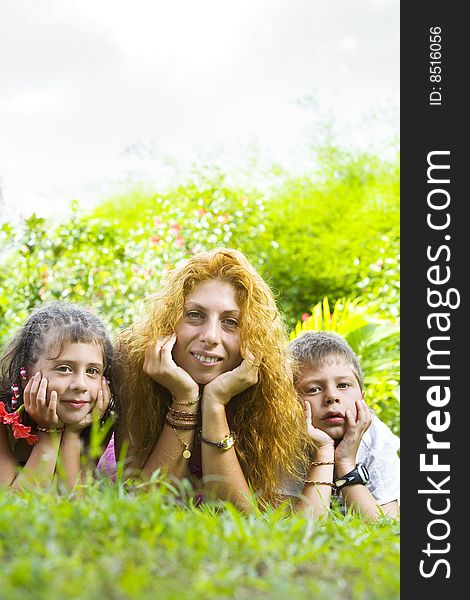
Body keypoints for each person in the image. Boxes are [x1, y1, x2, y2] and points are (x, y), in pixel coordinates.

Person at [114, 248, 312, 511]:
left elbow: (245, 519)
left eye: (230, 322)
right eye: (195, 315)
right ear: (169, 320)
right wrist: (184, 399)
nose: (210, 336)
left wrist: (215, 403)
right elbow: (141, 507)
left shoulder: (273, 387)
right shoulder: (132, 364)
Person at [0, 302, 114, 490]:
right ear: (25, 376)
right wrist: (49, 432)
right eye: (64, 369)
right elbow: (18, 507)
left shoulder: (99, 422)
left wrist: (72, 433)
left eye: (92, 371)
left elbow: (73, 506)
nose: (80, 385)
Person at [288, 330, 400, 520]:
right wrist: (323, 450)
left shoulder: (376, 439)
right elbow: (298, 531)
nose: (332, 396)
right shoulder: (283, 442)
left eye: (343, 385)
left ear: (362, 399)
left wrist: (346, 464)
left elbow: (386, 528)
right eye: (313, 389)